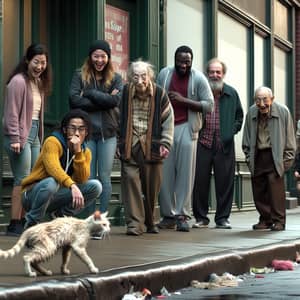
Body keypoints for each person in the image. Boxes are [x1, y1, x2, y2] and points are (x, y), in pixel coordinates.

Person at [157, 45, 214, 232]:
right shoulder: (165, 74)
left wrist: (184, 101)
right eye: (180, 61)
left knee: (185, 175)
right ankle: (168, 215)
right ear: (175, 60)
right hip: (166, 128)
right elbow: (157, 99)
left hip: (187, 129)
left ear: (191, 61)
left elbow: (209, 105)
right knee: (165, 175)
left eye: (187, 62)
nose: (183, 65)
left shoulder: (198, 78)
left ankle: (182, 214)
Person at [21, 109, 102, 229]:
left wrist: (78, 152)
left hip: (58, 196)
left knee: (95, 186)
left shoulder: (85, 152)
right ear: (65, 130)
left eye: (81, 129)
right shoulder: (52, 142)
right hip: (33, 195)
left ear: (86, 132)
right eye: (72, 128)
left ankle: (60, 216)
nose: (77, 133)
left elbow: (82, 179)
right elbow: (53, 169)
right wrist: (72, 186)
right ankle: (32, 224)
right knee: (51, 182)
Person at [118, 60, 174, 236]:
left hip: (153, 145)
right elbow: (116, 116)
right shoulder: (125, 92)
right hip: (130, 144)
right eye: (135, 76)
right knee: (130, 181)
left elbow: (168, 119)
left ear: (150, 76)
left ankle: (150, 222)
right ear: (130, 77)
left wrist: (166, 143)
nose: (140, 80)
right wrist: (117, 141)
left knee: (151, 187)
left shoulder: (159, 93)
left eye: (143, 76)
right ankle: (134, 224)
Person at [3, 43, 52, 236]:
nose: (39, 66)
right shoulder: (18, 81)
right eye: (36, 62)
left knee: (31, 180)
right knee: (21, 180)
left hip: (34, 135)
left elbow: (36, 114)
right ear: (27, 61)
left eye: (43, 63)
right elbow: (11, 113)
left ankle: (24, 219)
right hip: (19, 135)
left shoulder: (39, 82)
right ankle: (14, 222)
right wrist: (15, 137)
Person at [69, 39, 122, 214]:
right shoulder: (79, 75)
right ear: (90, 57)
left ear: (108, 58)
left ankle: (101, 218)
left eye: (103, 56)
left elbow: (115, 101)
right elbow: (74, 100)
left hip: (108, 134)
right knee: (88, 177)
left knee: (105, 177)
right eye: (96, 56)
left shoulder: (116, 78)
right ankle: (88, 219)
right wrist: (104, 100)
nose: (99, 60)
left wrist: (90, 94)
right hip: (87, 134)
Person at [192, 58, 244, 229]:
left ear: (223, 74)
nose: (214, 75)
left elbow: (239, 116)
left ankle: (222, 218)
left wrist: (230, 132)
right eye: (211, 72)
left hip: (224, 146)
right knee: (200, 183)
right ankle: (201, 218)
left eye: (218, 72)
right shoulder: (200, 92)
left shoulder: (231, 93)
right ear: (207, 73)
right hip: (203, 144)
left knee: (225, 183)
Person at [242, 86, 296, 231]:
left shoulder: (283, 111)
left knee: (276, 192)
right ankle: (265, 219)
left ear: (272, 99)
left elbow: (290, 139)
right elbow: (246, 138)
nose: (262, 104)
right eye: (258, 100)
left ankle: (279, 221)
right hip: (258, 155)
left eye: (265, 99)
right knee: (259, 191)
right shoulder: (252, 112)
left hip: (275, 156)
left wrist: (286, 162)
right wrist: (248, 158)